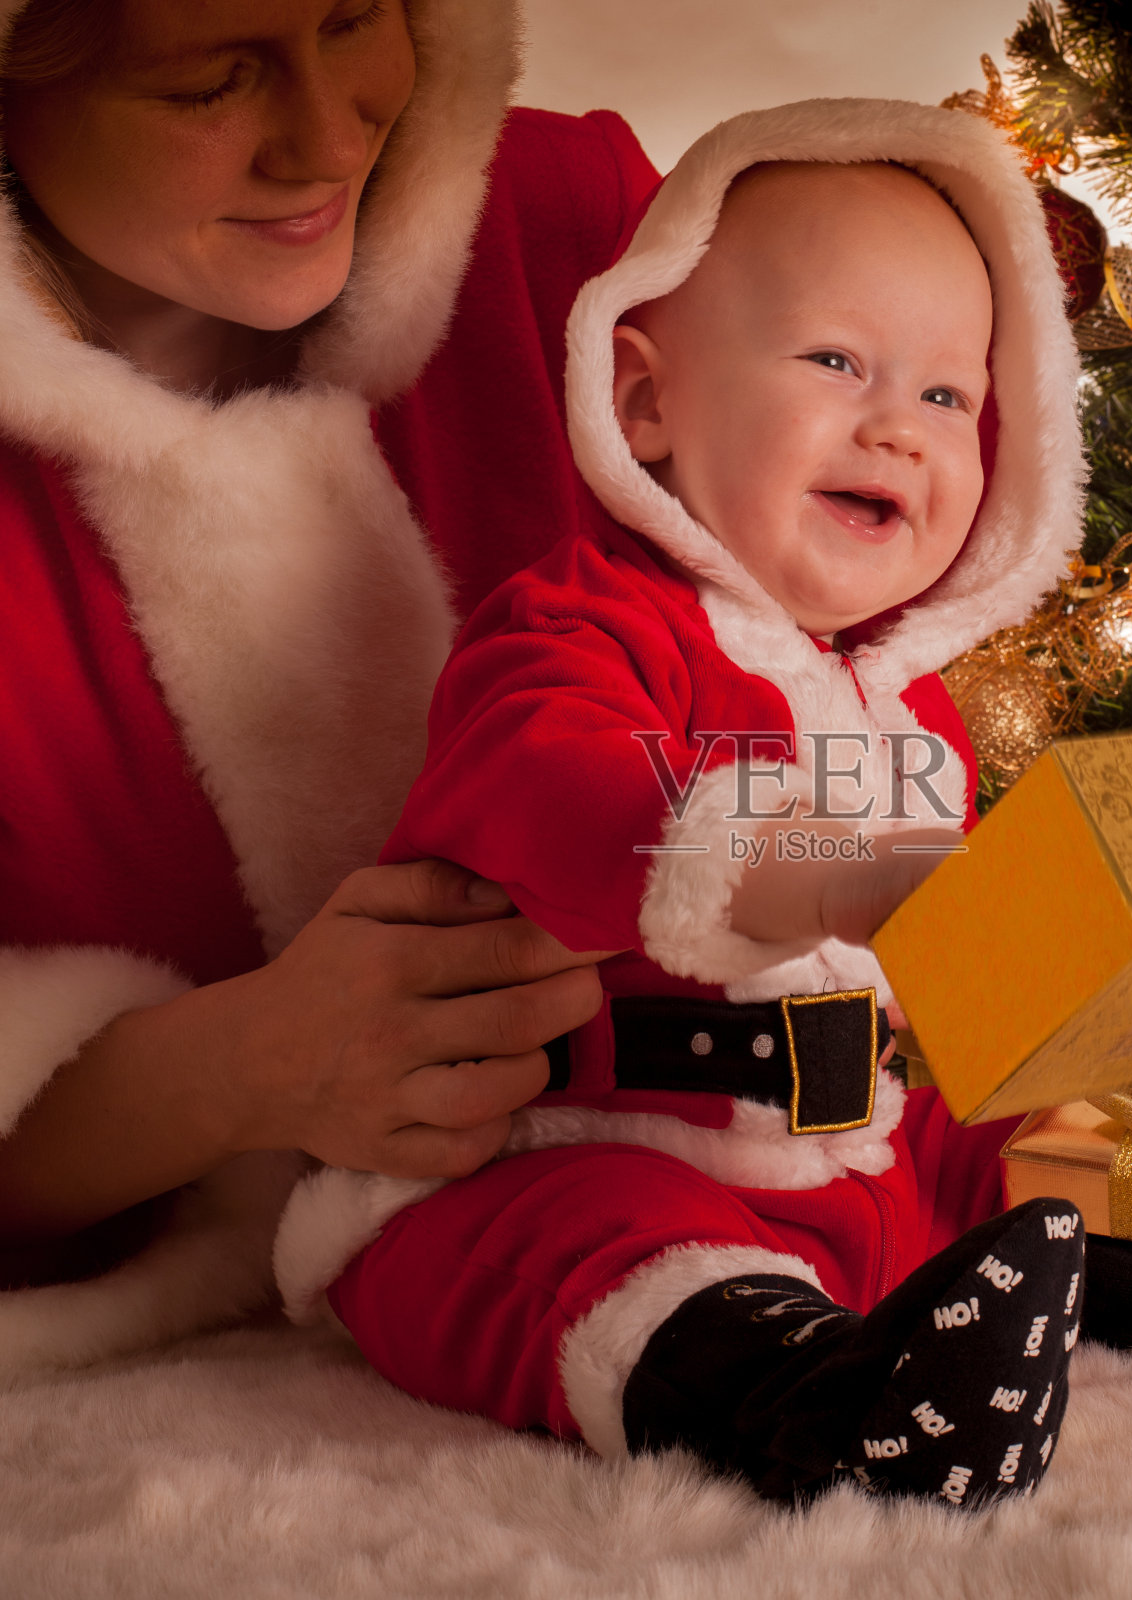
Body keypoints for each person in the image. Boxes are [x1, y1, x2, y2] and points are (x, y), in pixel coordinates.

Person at [281, 106, 1132, 1507]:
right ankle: (816, 1400)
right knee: (597, 1247)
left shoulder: (914, 712)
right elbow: (539, 790)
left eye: (950, 398)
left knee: (1031, 1146)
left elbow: (945, 975)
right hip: (578, 1142)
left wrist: (1116, 977)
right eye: (837, 361)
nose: (897, 430)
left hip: (856, 1152)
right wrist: (772, 858)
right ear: (648, 400)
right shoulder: (573, 626)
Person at [0, 0, 658, 1368]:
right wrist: (244, 1069)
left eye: (356, 15)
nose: (326, 139)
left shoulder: (581, 235)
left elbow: (873, 679)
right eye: (209, 85)